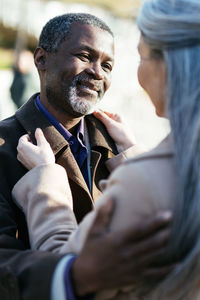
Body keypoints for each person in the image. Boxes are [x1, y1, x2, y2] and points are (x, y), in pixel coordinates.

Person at [12, 0, 200, 298]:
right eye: (85, 56)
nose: (98, 72)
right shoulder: (5, 144)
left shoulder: (122, 148)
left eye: (108, 65)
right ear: (41, 59)